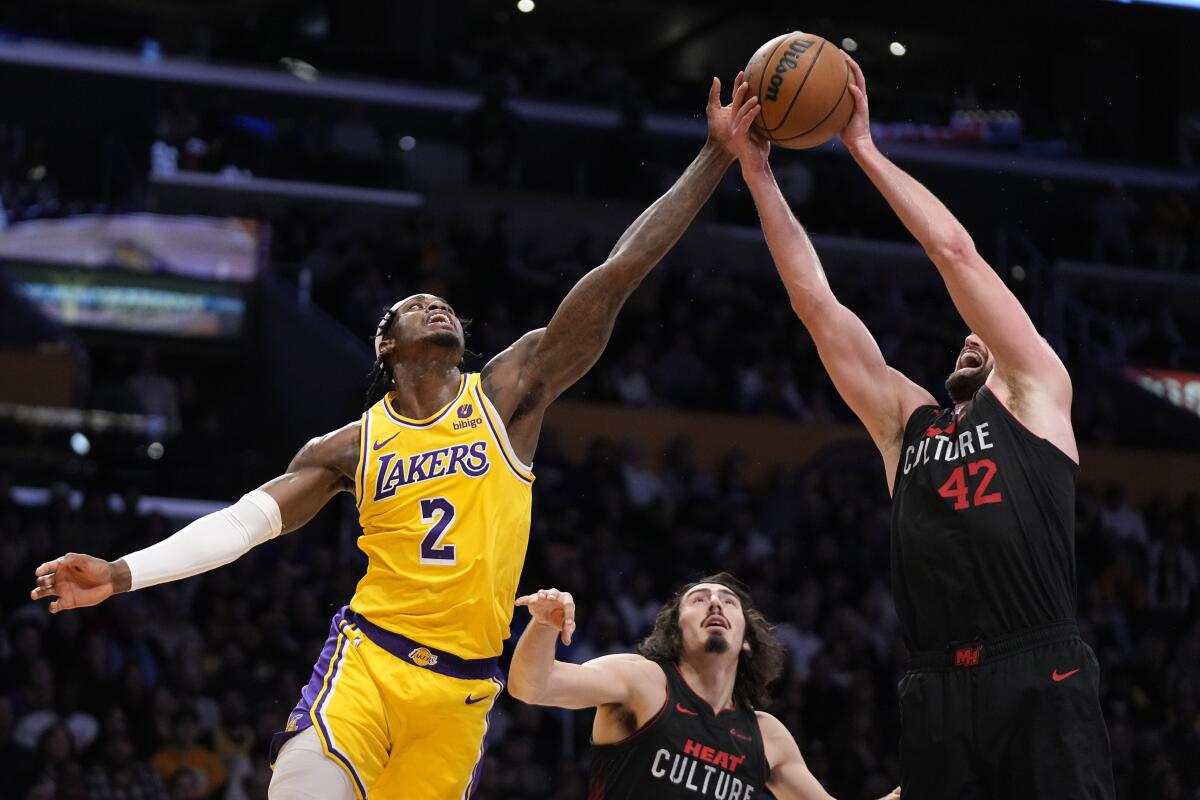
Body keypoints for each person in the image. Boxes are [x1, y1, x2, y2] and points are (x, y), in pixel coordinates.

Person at [29, 75, 762, 800]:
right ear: (386, 348)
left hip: (464, 695)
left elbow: (619, 273)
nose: (434, 304)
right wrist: (123, 573)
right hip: (368, 667)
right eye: (414, 305)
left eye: (441, 303)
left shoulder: (507, 396)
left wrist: (714, 157)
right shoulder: (348, 447)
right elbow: (243, 525)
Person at [722, 55, 1115, 799]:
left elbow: (954, 251)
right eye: (962, 335)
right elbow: (817, 306)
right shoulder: (907, 424)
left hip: (1038, 664)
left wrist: (862, 147)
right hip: (933, 685)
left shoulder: (1036, 392)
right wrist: (758, 176)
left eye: (983, 334)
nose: (971, 336)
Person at [509, 575, 902, 800]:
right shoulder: (643, 682)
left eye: (729, 602)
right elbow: (531, 686)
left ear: (747, 639)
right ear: (675, 631)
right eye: (699, 599)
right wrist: (544, 624)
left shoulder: (767, 736)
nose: (715, 604)